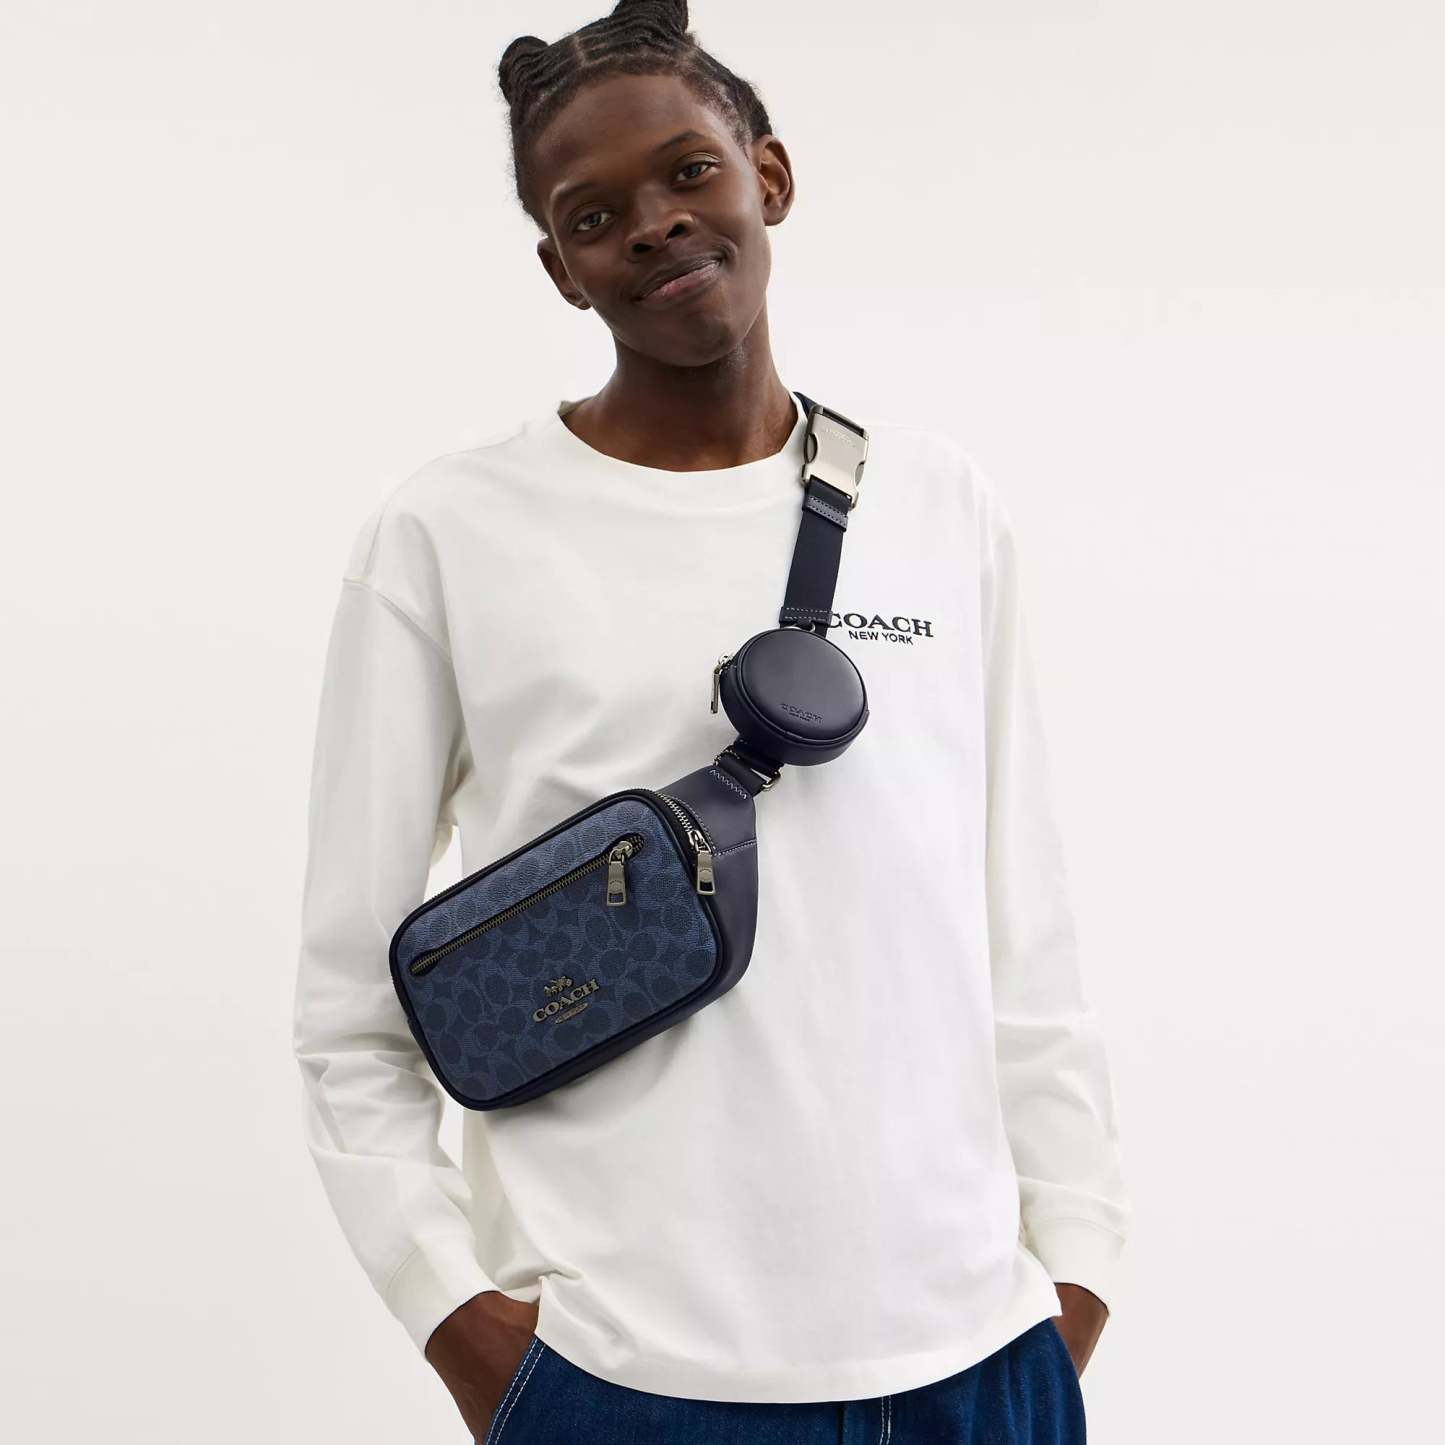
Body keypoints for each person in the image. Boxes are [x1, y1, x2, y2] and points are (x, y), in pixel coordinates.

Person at [290, 2, 1132, 1441]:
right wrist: (464, 1325)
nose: (656, 225)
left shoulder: (938, 506)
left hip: (978, 1357)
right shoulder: (451, 532)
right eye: (594, 213)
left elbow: (1022, 930)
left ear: (769, 176)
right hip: (627, 1375)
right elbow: (346, 1009)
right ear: (560, 268)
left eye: (690, 172)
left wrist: (1077, 1268)